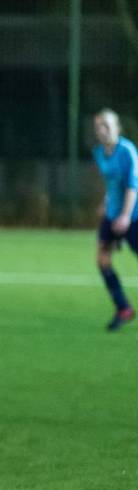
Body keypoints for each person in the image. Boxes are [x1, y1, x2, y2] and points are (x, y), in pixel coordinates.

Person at [91, 108, 138, 331]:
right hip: (112, 215)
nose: (102, 130)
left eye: (106, 125)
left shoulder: (128, 150)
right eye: (99, 126)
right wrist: (106, 202)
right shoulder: (99, 153)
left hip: (133, 216)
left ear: (117, 128)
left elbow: (132, 186)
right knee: (102, 259)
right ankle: (123, 308)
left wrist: (126, 216)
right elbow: (111, 183)